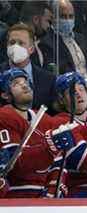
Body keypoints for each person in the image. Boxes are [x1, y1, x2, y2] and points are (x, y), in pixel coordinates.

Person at [0, 68, 65, 198]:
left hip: (42, 194)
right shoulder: (4, 117)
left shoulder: (45, 118)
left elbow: (58, 161)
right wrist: (49, 148)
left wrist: (53, 187)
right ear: (5, 95)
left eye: (26, 81)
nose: (24, 85)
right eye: (16, 83)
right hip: (14, 194)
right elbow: (15, 164)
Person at [0, 23, 56, 114]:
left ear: (31, 49)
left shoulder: (49, 79)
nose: (15, 47)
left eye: (21, 43)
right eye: (12, 43)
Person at [40, 0, 87, 78]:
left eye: (71, 16)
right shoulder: (47, 43)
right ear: (53, 18)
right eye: (63, 16)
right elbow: (62, 72)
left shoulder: (81, 38)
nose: (68, 20)